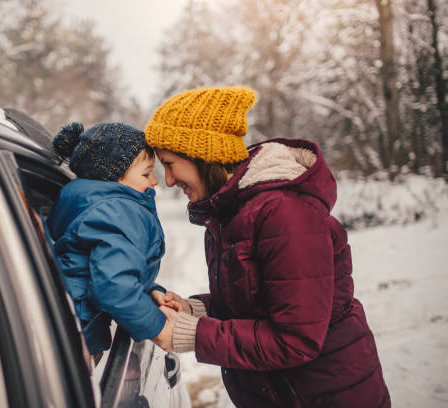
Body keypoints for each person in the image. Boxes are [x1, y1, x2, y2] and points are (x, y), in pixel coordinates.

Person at [145, 87, 391, 407]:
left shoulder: (286, 214)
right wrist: (196, 311)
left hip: (326, 395)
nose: (168, 180)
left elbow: (295, 338)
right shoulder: (227, 215)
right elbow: (256, 304)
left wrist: (195, 333)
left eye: (169, 163)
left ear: (201, 155)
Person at [47, 122, 179, 363]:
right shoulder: (119, 211)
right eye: (146, 173)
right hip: (79, 332)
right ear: (114, 177)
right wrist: (158, 328)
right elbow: (114, 285)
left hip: (71, 321)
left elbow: (101, 266)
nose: (155, 181)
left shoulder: (95, 206)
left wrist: (148, 290)